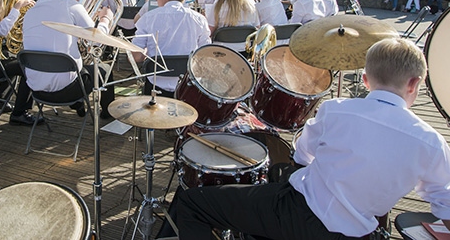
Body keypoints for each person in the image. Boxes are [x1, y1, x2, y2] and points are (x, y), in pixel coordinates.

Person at [177, 37, 450, 240]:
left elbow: (302, 157)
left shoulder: (336, 110)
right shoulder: (432, 143)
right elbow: (445, 207)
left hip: (295, 212)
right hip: (357, 234)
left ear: (365, 80)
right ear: (415, 84)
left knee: (192, 205)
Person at [22, 0, 116, 118]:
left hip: (36, 89)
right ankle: (107, 114)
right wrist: (106, 19)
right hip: (68, 89)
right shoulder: (70, 5)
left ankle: (78, 104)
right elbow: (97, 42)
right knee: (105, 69)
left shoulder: (28, 13)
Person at [132, 0, 211, 96]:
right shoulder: (199, 19)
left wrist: (147, 51)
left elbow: (136, 57)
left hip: (155, 86)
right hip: (188, 86)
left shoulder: (148, 18)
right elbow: (205, 55)